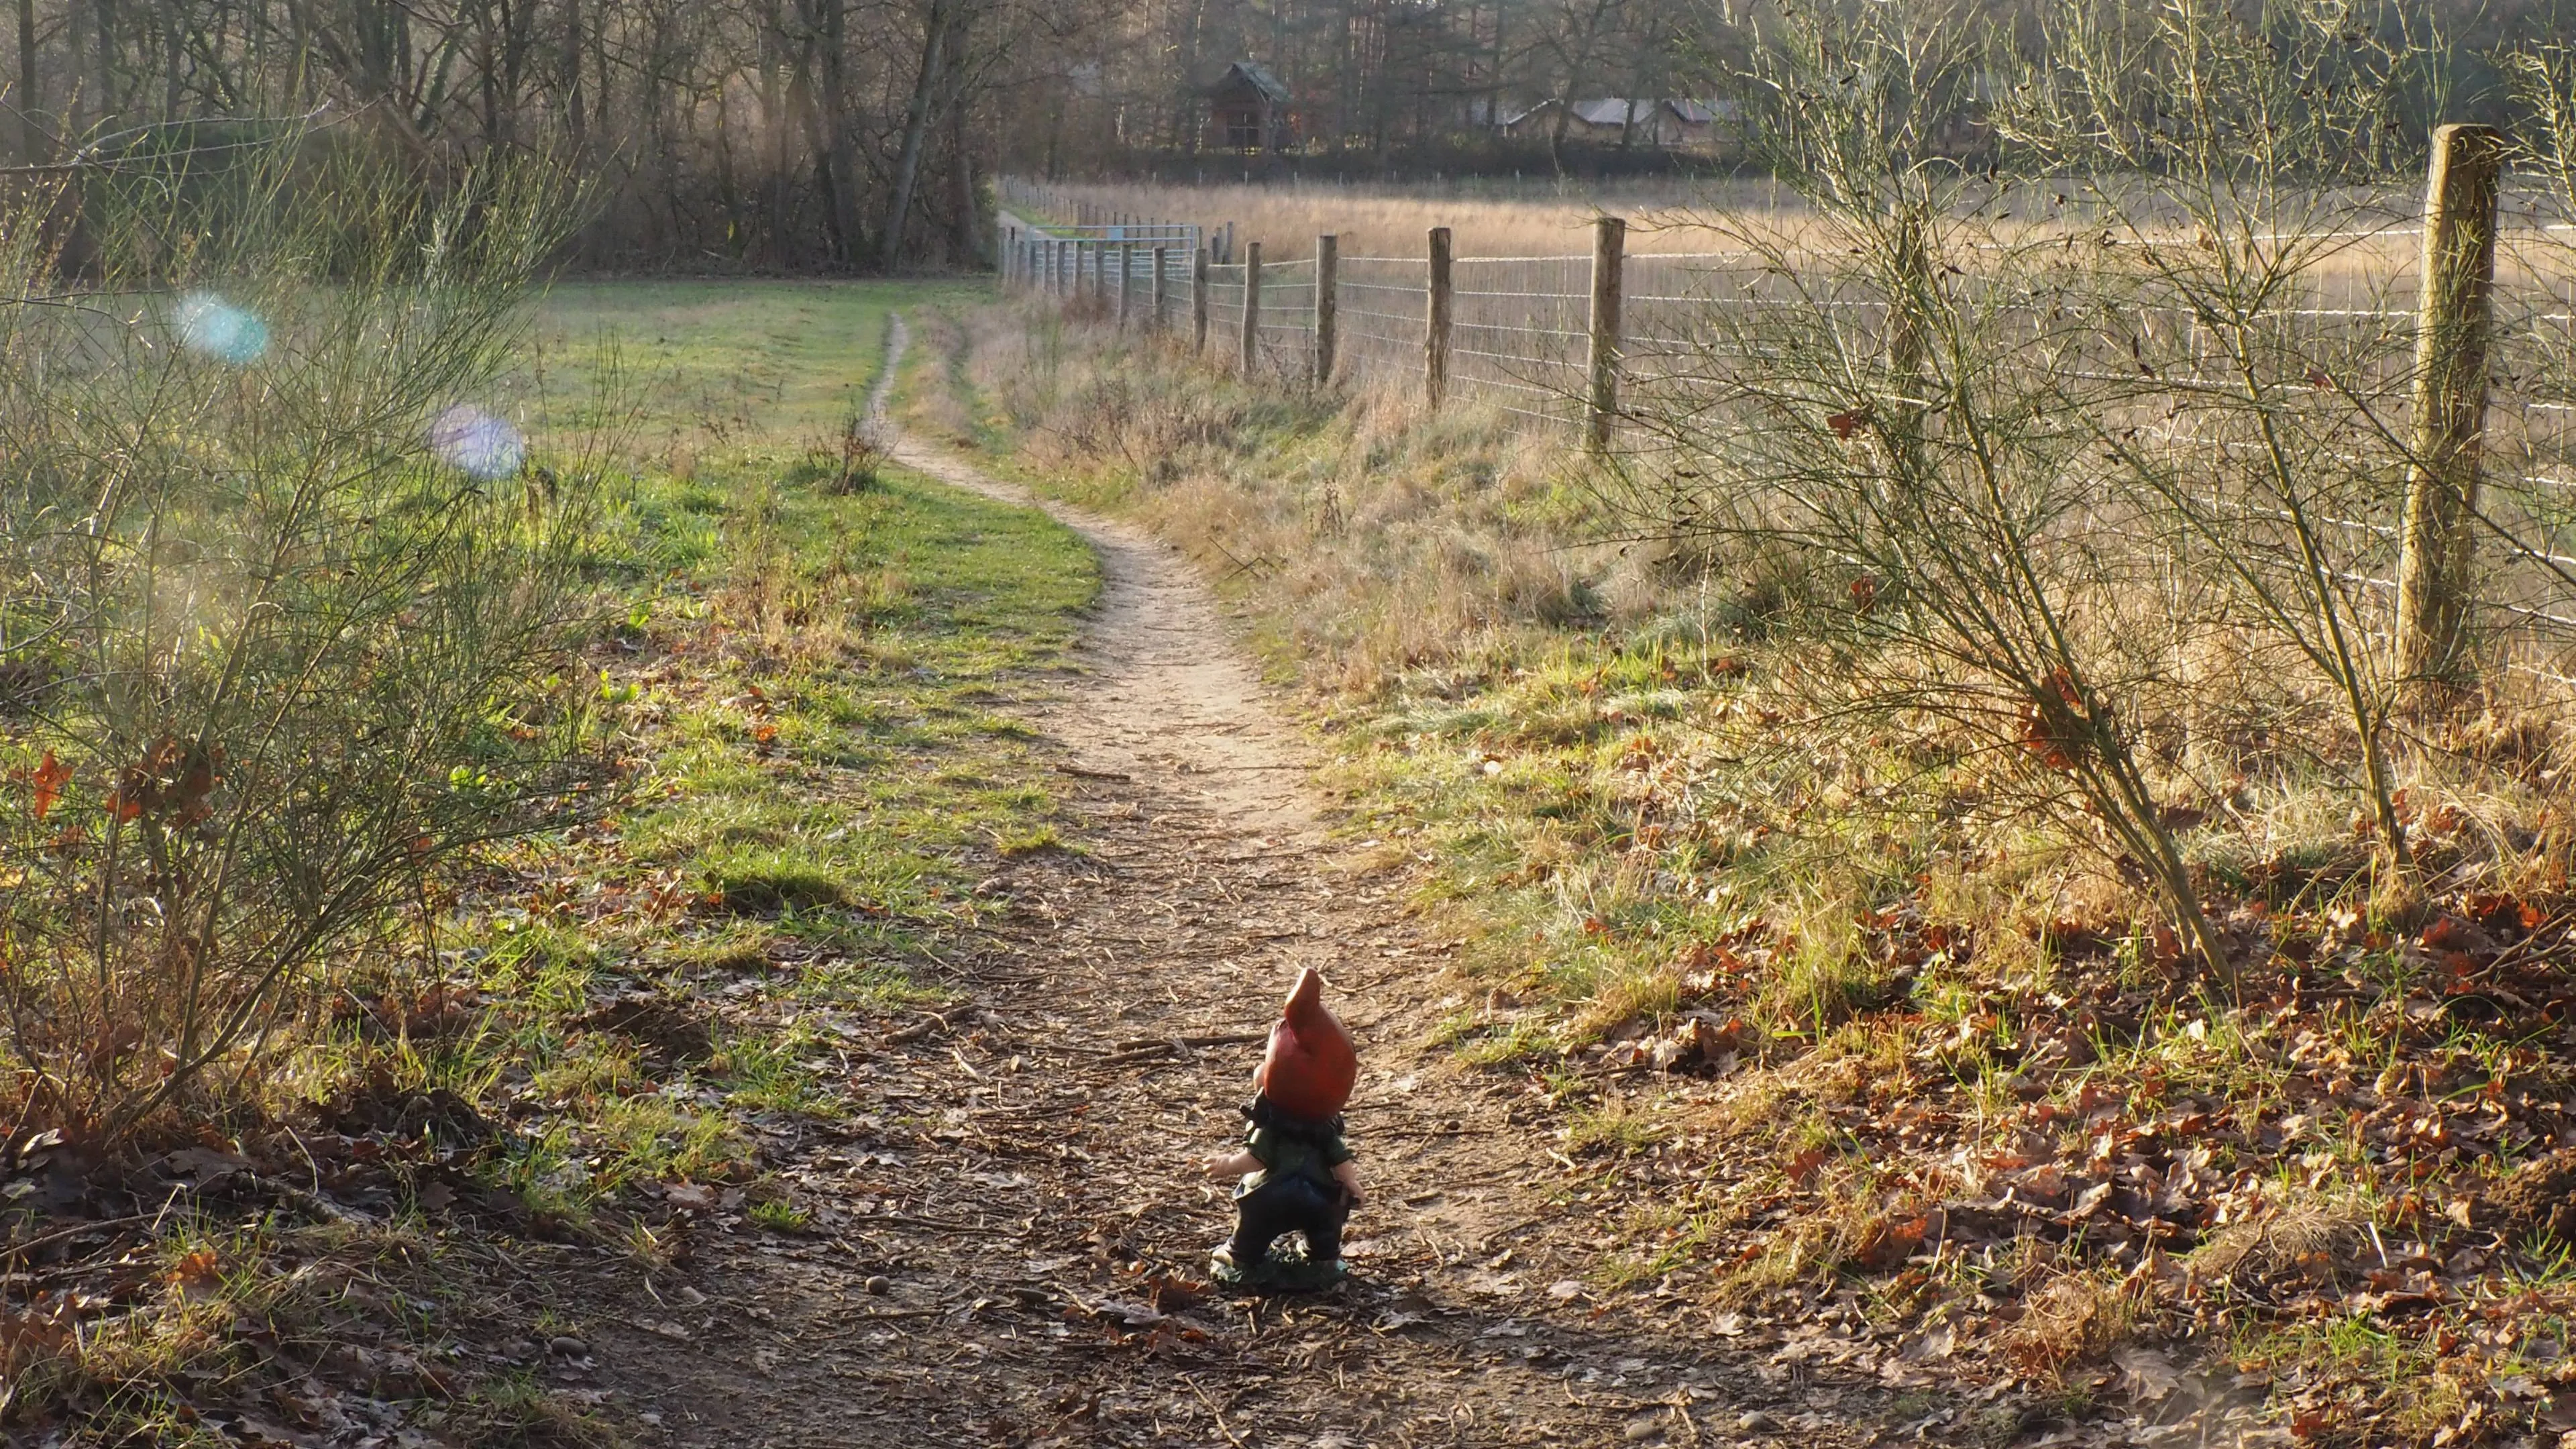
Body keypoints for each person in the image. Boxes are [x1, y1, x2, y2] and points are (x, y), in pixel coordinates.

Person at [1201, 967, 1362, 1291]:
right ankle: (1323, 1259)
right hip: (1320, 1196)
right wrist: (1352, 1184)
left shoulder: (1272, 1127)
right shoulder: (1326, 1128)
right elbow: (1341, 1162)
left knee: (1253, 1227)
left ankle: (1243, 1257)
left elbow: (1256, 1160)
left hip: (1271, 1194)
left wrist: (1228, 1165)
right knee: (1325, 1227)